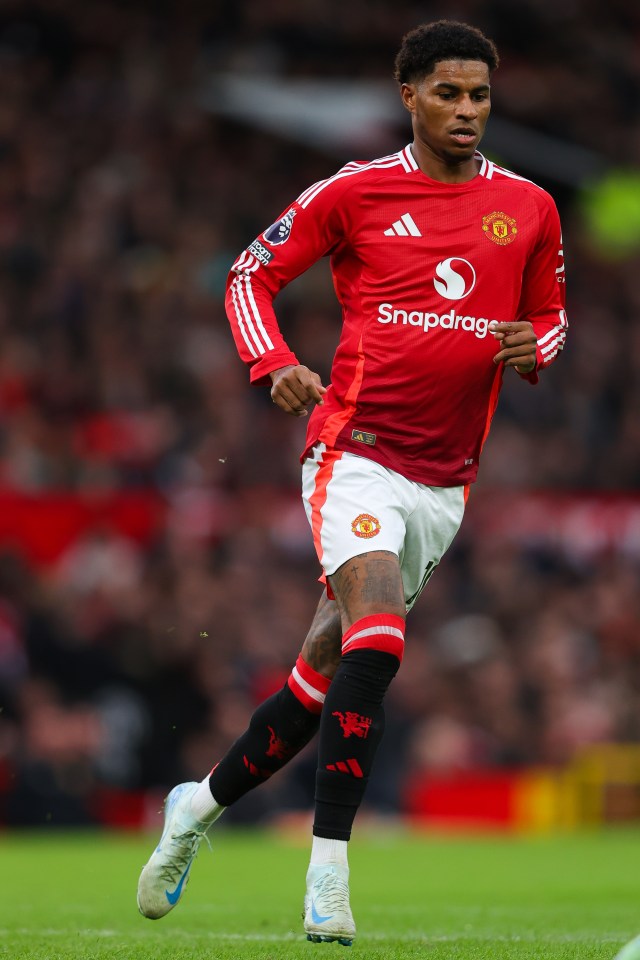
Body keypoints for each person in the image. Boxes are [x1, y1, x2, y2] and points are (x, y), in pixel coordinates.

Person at [137, 19, 568, 944]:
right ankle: (328, 875)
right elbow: (250, 274)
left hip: (446, 482)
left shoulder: (530, 206)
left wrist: (542, 344)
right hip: (355, 452)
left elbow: (551, 314)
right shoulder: (355, 192)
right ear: (407, 93)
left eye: (480, 95)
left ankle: (196, 809)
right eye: (448, 93)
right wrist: (273, 363)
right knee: (378, 637)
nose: (466, 110)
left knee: (324, 671)